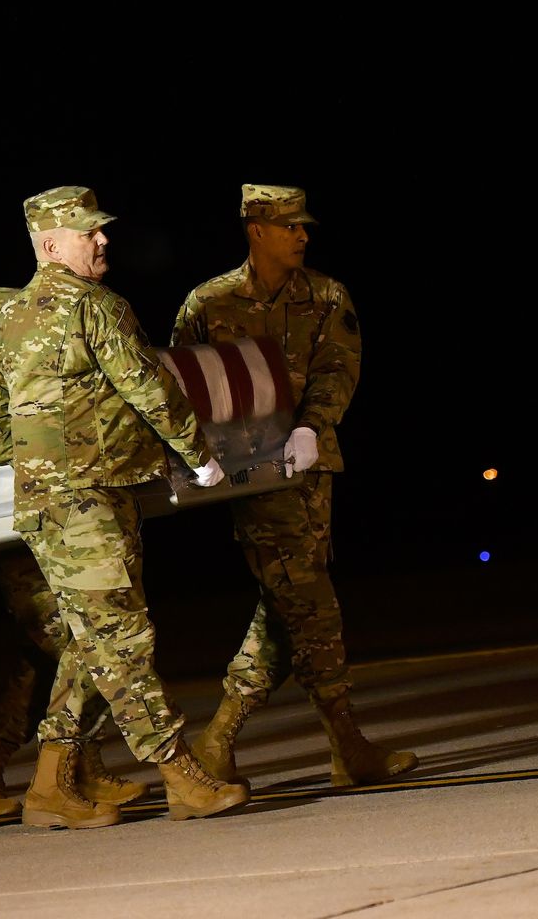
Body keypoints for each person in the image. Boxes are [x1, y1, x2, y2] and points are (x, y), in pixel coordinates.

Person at [0, 185, 248, 827]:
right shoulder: (95, 306)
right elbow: (149, 385)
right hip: (88, 501)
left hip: (54, 502)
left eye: (100, 231)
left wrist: (35, 462)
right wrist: (198, 453)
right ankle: (180, 772)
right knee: (122, 637)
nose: (102, 241)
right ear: (50, 244)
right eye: (87, 233)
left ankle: (49, 784)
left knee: (88, 639)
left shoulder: (11, 317)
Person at [172, 184, 415, 788]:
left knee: (289, 607)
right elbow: (181, 383)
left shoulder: (327, 296)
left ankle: (222, 742)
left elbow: (339, 369)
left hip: (307, 469)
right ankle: (344, 745)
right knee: (309, 601)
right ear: (256, 230)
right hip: (249, 480)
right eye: (290, 227)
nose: (303, 236)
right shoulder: (210, 302)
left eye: (304, 227)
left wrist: (311, 426)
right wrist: (196, 461)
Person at [0, 287, 145, 816]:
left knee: (45, 661)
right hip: (19, 548)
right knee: (84, 646)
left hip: (53, 534)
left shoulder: (42, 376)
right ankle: (57, 773)